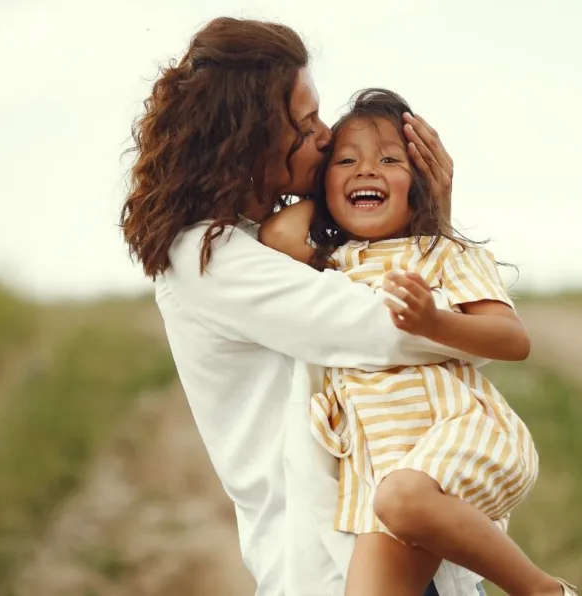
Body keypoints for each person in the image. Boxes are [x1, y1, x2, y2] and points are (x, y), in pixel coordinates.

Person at [120, 16, 487, 596]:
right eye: (305, 120)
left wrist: (416, 220)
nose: (325, 135)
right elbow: (417, 332)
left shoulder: (285, 239)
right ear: (251, 132)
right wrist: (434, 236)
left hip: (408, 549)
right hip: (333, 567)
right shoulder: (208, 258)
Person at [260, 89, 576, 596]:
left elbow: (512, 339)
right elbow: (277, 236)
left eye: (390, 160)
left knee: (403, 498)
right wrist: (334, 188)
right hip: (381, 475)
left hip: (460, 436)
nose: (367, 171)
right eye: (346, 161)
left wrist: (434, 322)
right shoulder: (336, 260)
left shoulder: (441, 252)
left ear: (422, 182)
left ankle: (543, 590)